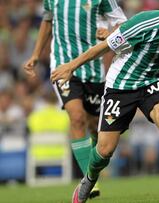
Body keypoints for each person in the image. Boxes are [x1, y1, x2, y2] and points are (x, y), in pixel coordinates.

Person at [50, 0, 159, 202]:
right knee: (105, 151)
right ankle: (89, 179)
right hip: (121, 85)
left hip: (153, 83)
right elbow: (104, 47)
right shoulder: (143, 23)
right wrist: (71, 66)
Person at [23, 0, 127, 199]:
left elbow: (123, 23)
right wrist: (36, 54)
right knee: (77, 116)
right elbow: (47, 20)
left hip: (94, 70)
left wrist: (112, 34)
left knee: (95, 126)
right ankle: (89, 181)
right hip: (63, 66)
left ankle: (93, 167)